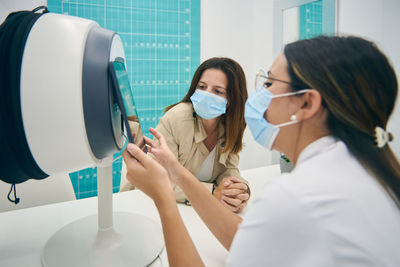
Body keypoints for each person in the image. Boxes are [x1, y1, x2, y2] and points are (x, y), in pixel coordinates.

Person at [122, 36, 400, 266]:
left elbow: (232, 174)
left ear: (307, 104)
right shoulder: (369, 172)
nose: (259, 96)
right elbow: (249, 239)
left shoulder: (294, 197)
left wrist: (164, 197)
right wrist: (179, 177)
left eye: (268, 84)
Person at [120, 57, 250, 212]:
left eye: (218, 91)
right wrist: (212, 193)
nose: (206, 94)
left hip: (190, 210)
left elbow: (228, 169)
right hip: (145, 204)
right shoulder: (176, 119)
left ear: (232, 99)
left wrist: (239, 190)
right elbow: (158, 181)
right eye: (202, 87)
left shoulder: (231, 125)